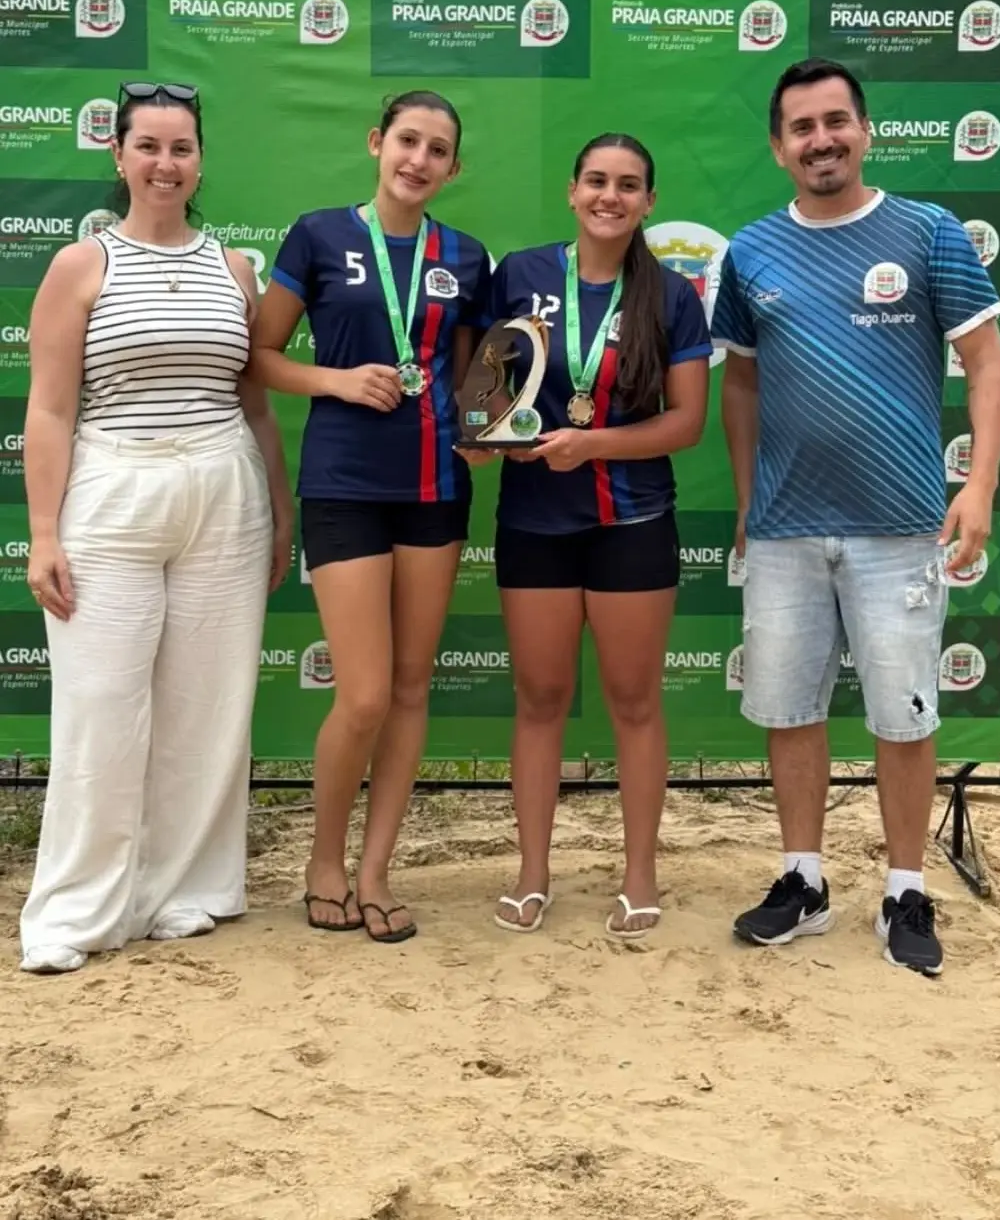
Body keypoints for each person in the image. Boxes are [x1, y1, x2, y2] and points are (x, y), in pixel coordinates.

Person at [712, 58, 1000, 976]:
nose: (821, 140)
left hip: (900, 527)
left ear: (865, 128)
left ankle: (905, 889)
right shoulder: (751, 248)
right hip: (787, 529)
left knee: (904, 715)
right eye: (801, 127)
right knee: (790, 708)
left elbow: (989, 365)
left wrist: (982, 484)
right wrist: (745, 502)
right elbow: (743, 382)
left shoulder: (926, 232)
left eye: (835, 121)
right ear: (778, 146)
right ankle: (801, 880)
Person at [19, 82, 293, 976]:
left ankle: (185, 890)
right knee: (101, 707)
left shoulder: (236, 268)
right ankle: (74, 909)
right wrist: (44, 534)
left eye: (181, 149)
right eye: (149, 147)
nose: (165, 164)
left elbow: (254, 404)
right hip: (112, 491)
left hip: (224, 492)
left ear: (201, 160)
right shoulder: (80, 265)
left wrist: (280, 512)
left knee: (207, 707)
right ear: (119, 156)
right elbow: (50, 412)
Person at [250, 91, 491, 941]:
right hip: (345, 483)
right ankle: (324, 858)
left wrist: (485, 429)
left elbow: (474, 381)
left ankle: (378, 866)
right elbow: (263, 356)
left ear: (453, 169)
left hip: (434, 490)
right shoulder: (318, 235)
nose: (418, 159)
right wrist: (339, 380)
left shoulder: (464, 254)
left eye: (437, 150)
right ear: (376, 144)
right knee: (363, 694)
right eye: (407, 141)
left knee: (412, 687)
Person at [462, 133, 711, 939]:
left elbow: (688, 423)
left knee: (634, 703)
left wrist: (592, 444)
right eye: (597, 181)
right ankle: (533, 873)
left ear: (648, 202)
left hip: (633, 521)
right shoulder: (523, 275)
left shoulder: (671, 295)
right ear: (572, 191)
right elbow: (490, 391)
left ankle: (640, 875)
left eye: (629, 185)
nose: (611, 195)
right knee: (539, 700)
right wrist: (480, 435)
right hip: (534, 522)